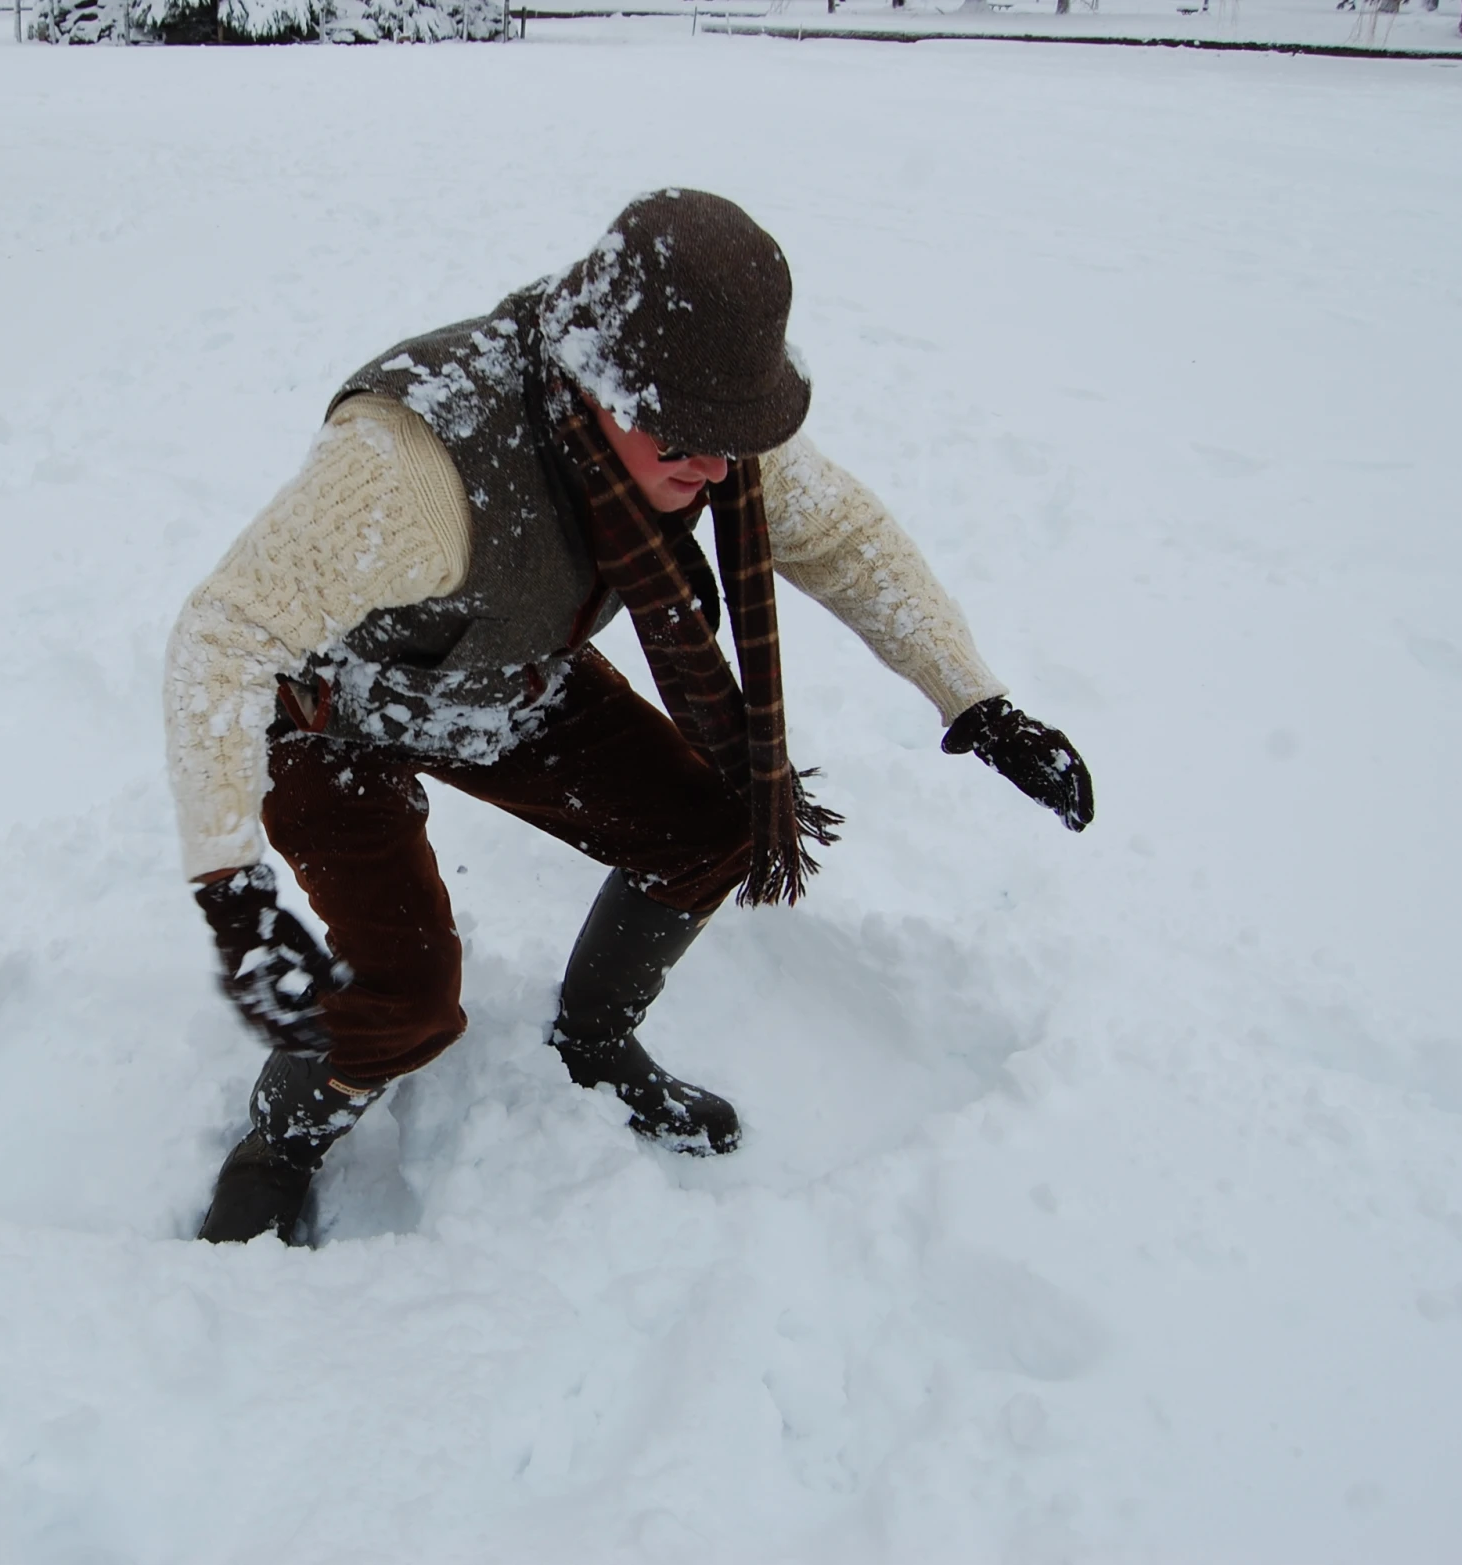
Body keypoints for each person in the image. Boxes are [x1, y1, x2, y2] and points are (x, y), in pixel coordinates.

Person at [164, 190, 1092, 1245]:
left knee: (712, 830)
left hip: (506, 682)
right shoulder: (412, 465)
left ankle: (595, 1042)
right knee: (406, 989)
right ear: (597, 376)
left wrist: (975, 700)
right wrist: (232, 888)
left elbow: (845, 539)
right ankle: (281, 1138)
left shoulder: (706, 433)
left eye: (729, 438)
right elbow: (221, 636)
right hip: (328, 712)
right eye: (682, 434)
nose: (710, 466)